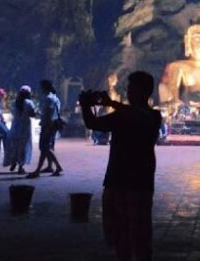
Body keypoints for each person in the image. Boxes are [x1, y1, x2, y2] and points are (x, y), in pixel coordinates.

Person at [81, 71, 162, 261]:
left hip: (132, 181)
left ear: (143, 91)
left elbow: (135, 115)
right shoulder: (132, 116)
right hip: (123, 180)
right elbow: (92, 123)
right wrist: (86, 106)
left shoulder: (149, 116)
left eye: (131, 88)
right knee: (121, 235)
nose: (127, 92)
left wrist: (110, 104)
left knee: (139, 235)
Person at [28, 79, 63, 178]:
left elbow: (48, 114)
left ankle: (57, 167)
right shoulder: (55, 98)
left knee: (44, 147)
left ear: (44, 88)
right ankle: (48, 166)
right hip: (52, 125)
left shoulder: (48, 99)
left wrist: (46, 125)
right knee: (46, 147)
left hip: (48, 125)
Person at [6, 85, 35, 173]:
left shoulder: (14, 102)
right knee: (24, 146)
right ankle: (20, 167)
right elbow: (32, 114)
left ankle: (13, 161)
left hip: (15, 125)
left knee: (15, 145)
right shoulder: (29, 103)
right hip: (25, 126)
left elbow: (12, 113)